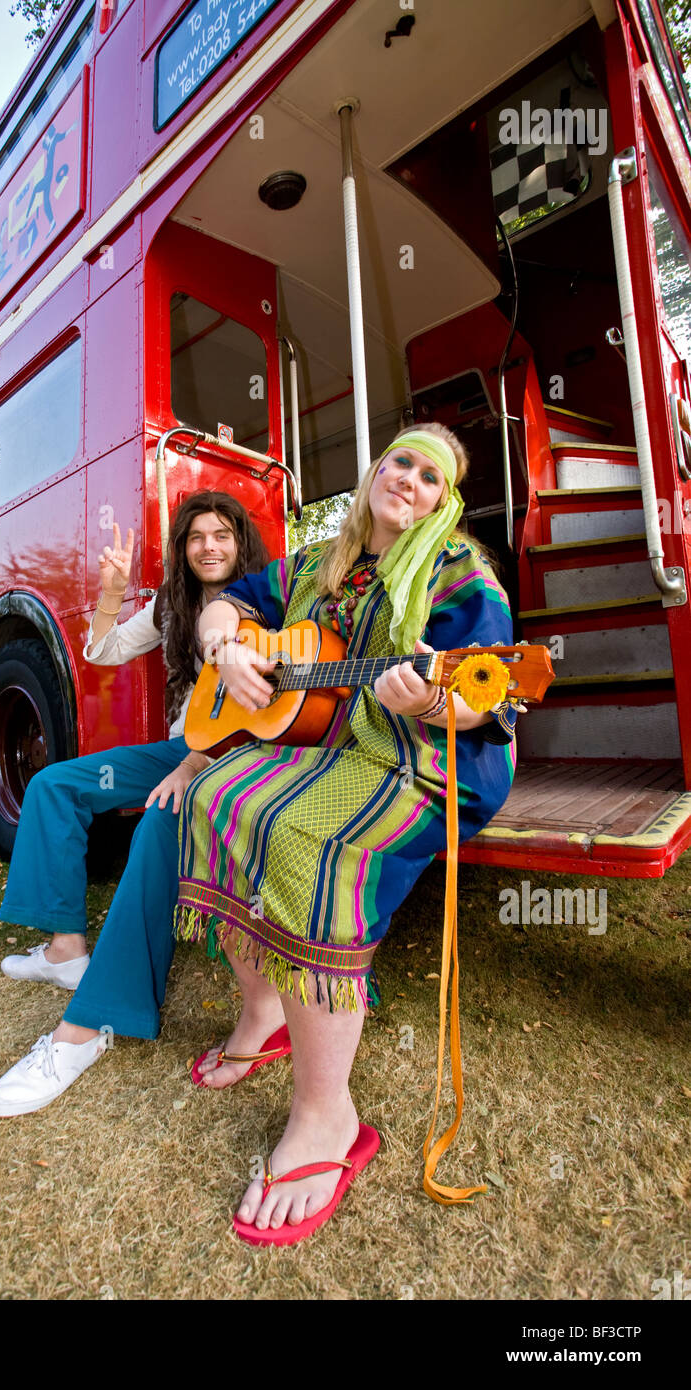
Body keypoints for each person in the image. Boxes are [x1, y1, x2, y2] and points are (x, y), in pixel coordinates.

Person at [175, 423, 518, 1244]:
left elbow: (487, 696)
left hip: (428, 763)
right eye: (400, 461)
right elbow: (223, 604)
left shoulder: (461, 576)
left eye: (431, 477)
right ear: (374, 472)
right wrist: (223, 648)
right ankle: (262, 1019)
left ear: (446, 500)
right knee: (214, 798)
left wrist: (432, 700)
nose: (409, 480)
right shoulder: (317, 565)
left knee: (304, 838)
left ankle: (330, 1119)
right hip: (333, 746)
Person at [0, 490, 269, 1116]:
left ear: (241, 541)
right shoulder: (174, 604)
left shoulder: (268, 596)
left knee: (160, 822)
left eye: (222, 534)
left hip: (238, 756)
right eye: (196, 537)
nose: (209, 546)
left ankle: (95, 1024)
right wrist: (111, 592)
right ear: (182, 549)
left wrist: (195, 768)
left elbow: (264, 708)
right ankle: (65, 951)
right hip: (180, 749)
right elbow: (102, 651)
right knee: (55, 785)